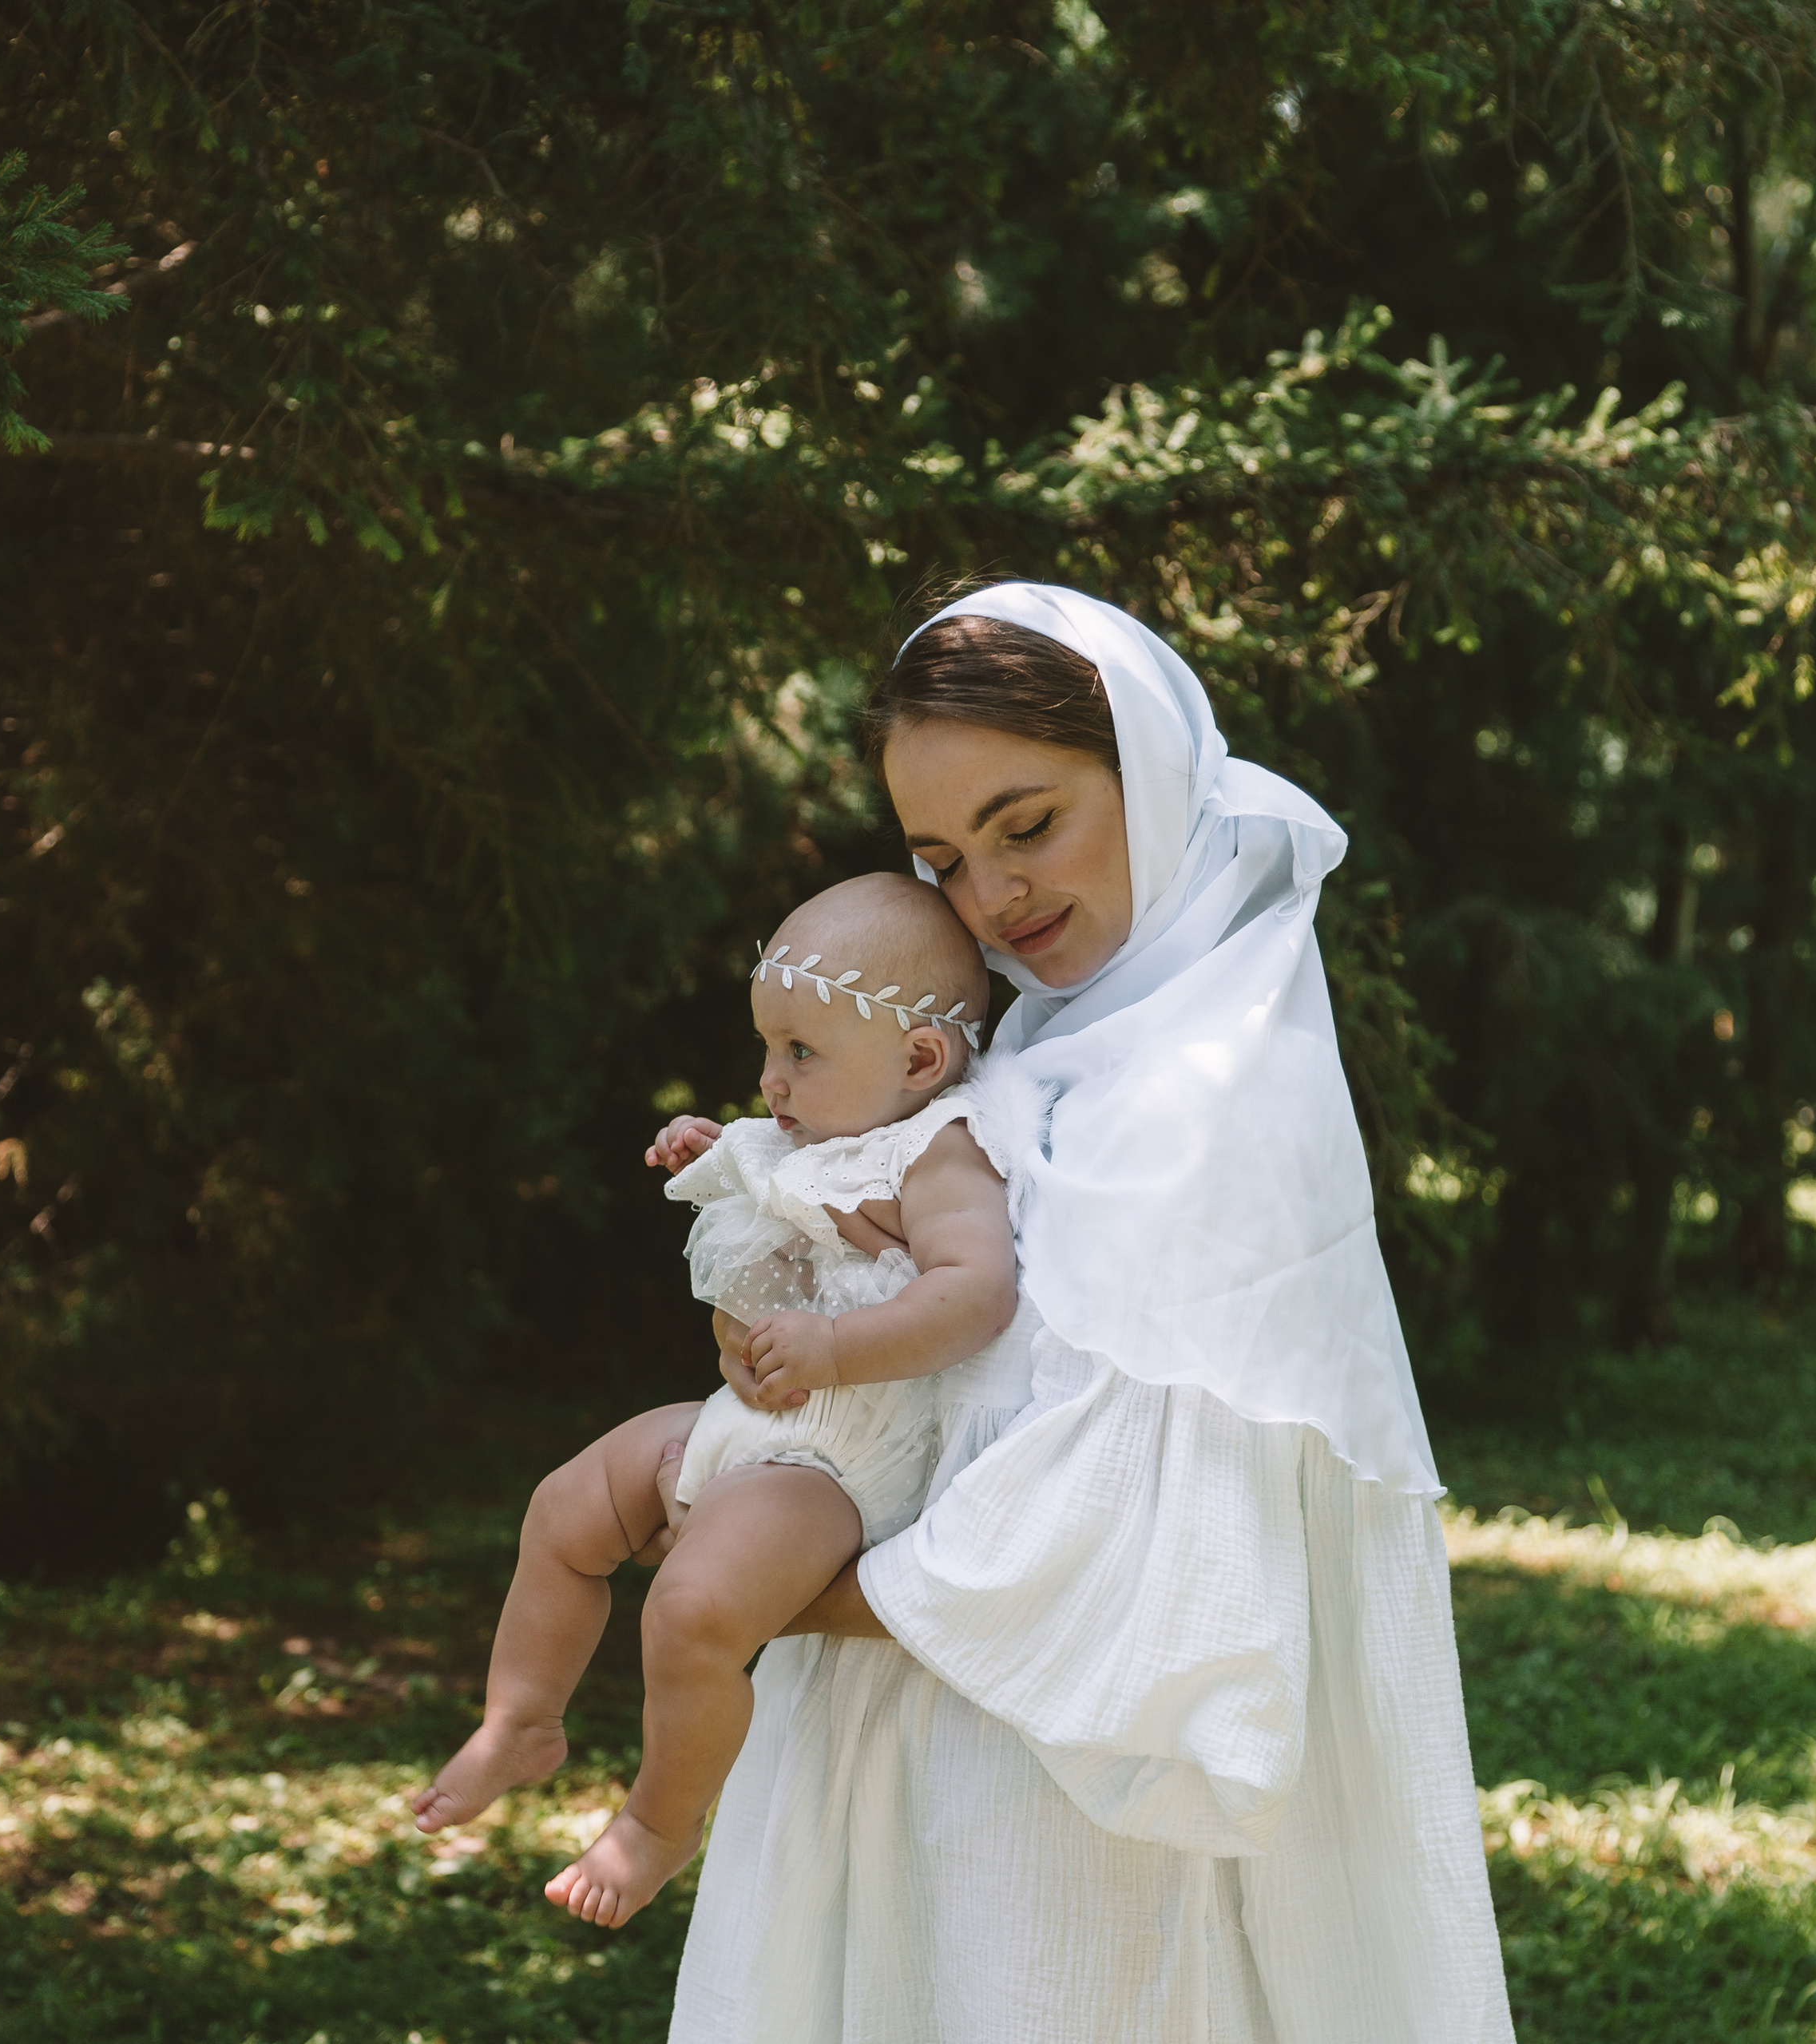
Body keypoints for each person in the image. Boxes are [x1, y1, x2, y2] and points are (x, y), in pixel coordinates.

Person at [667, 584, 1515, 2042]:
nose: (992, 897)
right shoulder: (1001, 1068)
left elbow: (1138, 1540)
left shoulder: (1214, 1092)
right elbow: (842, 1360)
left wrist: (758, 1582)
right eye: (942, 856)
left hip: (1069, 1806)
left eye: (1028, 823)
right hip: (888, 1745)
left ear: (1154, 777)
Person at [412, 873, 1035, 1929]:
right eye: (766, 1048)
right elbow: (767, 1234)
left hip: (839, 1463)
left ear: (920, 1060)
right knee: (565, 1508)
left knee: (692, 1611)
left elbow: (974, 1294)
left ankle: (658, 1825)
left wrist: (836, 1347)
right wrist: (723, 1157)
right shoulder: (813, 1136)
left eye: (801, 1053)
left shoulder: (936, 1153)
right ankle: (521, 1718)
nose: (770, 1080)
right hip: (750, 1428)